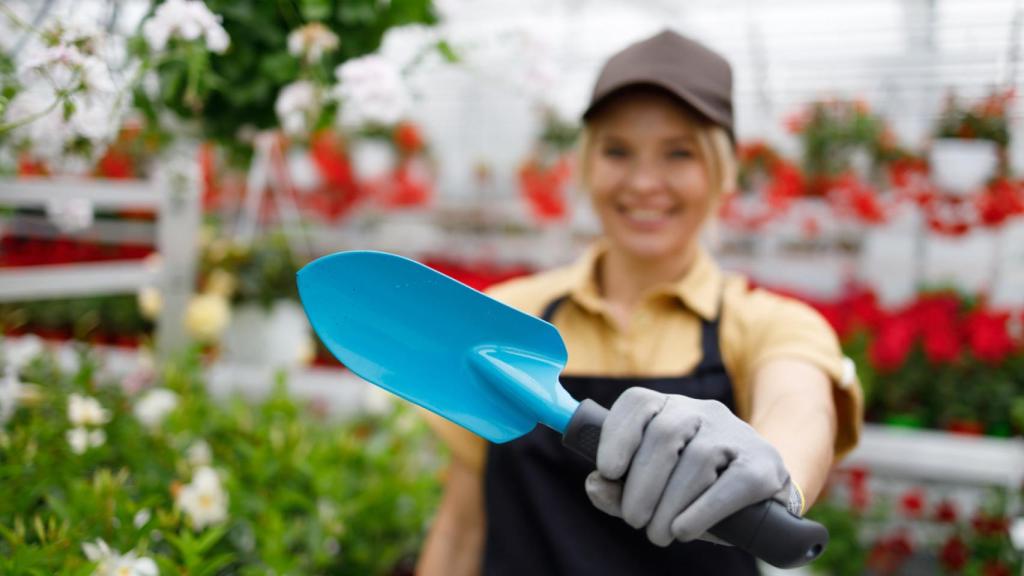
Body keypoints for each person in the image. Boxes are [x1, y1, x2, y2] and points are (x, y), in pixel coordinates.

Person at [416, 29, 863, 576]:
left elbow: (801, 409)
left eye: (679, 153)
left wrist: (776, 472)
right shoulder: (510, 316)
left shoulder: (766, 325)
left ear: (720, 170)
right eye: (617, 150)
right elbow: (463, 525)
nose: (644, 182)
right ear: (586, 165)